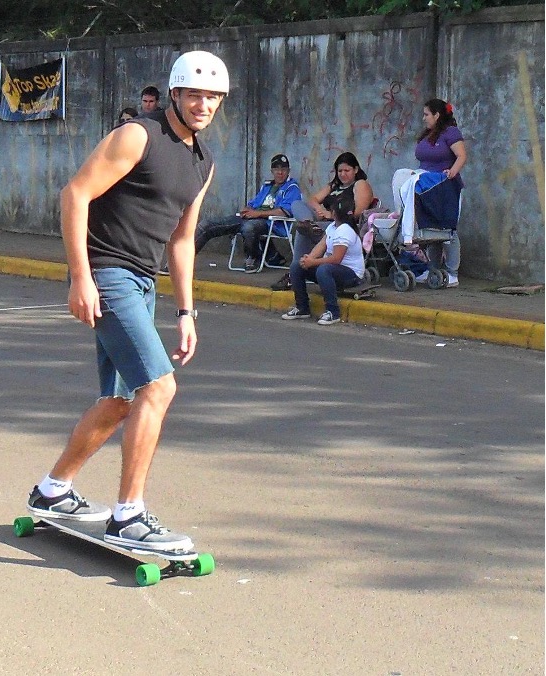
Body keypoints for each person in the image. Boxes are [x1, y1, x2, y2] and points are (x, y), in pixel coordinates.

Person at [26, 51, 229, 551]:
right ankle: (129, 515)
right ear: (175, 94)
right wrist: (81, 278)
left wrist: (186, 312)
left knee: (119, 402)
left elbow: (182, 240)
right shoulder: (140, 135)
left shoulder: (202, 163)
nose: (203, 105)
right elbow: (75, 194)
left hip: (143, 282)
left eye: (213, 97)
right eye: (194, 95)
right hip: (109, 274)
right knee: (158, 389)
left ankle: (52, 491)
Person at [271, 152, 374, 291]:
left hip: (339, 227)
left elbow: (356, 213)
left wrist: (331, 215)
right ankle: (309, 224)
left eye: (347, 171)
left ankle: (294, 272)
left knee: (302, 231)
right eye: (340, 171)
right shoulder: (334, 185)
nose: (343, 174)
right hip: (322, 222)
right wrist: (319, 210)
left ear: (355, 170)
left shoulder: (360, 184)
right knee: (297, 205)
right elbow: (313, 199)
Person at [193, 153, 302, 270]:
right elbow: (253, 204)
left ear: (288, 170)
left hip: (271, 223)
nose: (280, 172)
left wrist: (258, 214)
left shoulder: (292, 188)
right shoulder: (267, 186)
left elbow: (284, 212)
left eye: (283, 169)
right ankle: (183, 259)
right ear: (272, 171)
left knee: (249, 227)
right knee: (207, 224)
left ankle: (253, 257)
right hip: (251, 218)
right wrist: (246, 209)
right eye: (277, 169)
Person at [407, 98, 467, 288]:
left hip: (445, 186)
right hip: (426, 186)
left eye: (426, 114)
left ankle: (452, 273)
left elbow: (461, 155)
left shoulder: (450, 133)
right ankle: (433, 269)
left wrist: (452, 172)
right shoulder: (428, 134)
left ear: (437, 115)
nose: (424, 118)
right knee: (431, 228)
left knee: (448, 229)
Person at [281, 198, 365, 325]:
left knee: (324, 269)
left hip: (351, 275)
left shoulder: (345, 230)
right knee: (296, 266)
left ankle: (333, 311)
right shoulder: (332, 227)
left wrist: (313, 263)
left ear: (334, 213)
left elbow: (336, 259)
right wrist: (309, 259)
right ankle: (302, 307)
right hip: (332, 271)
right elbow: (321, 245)